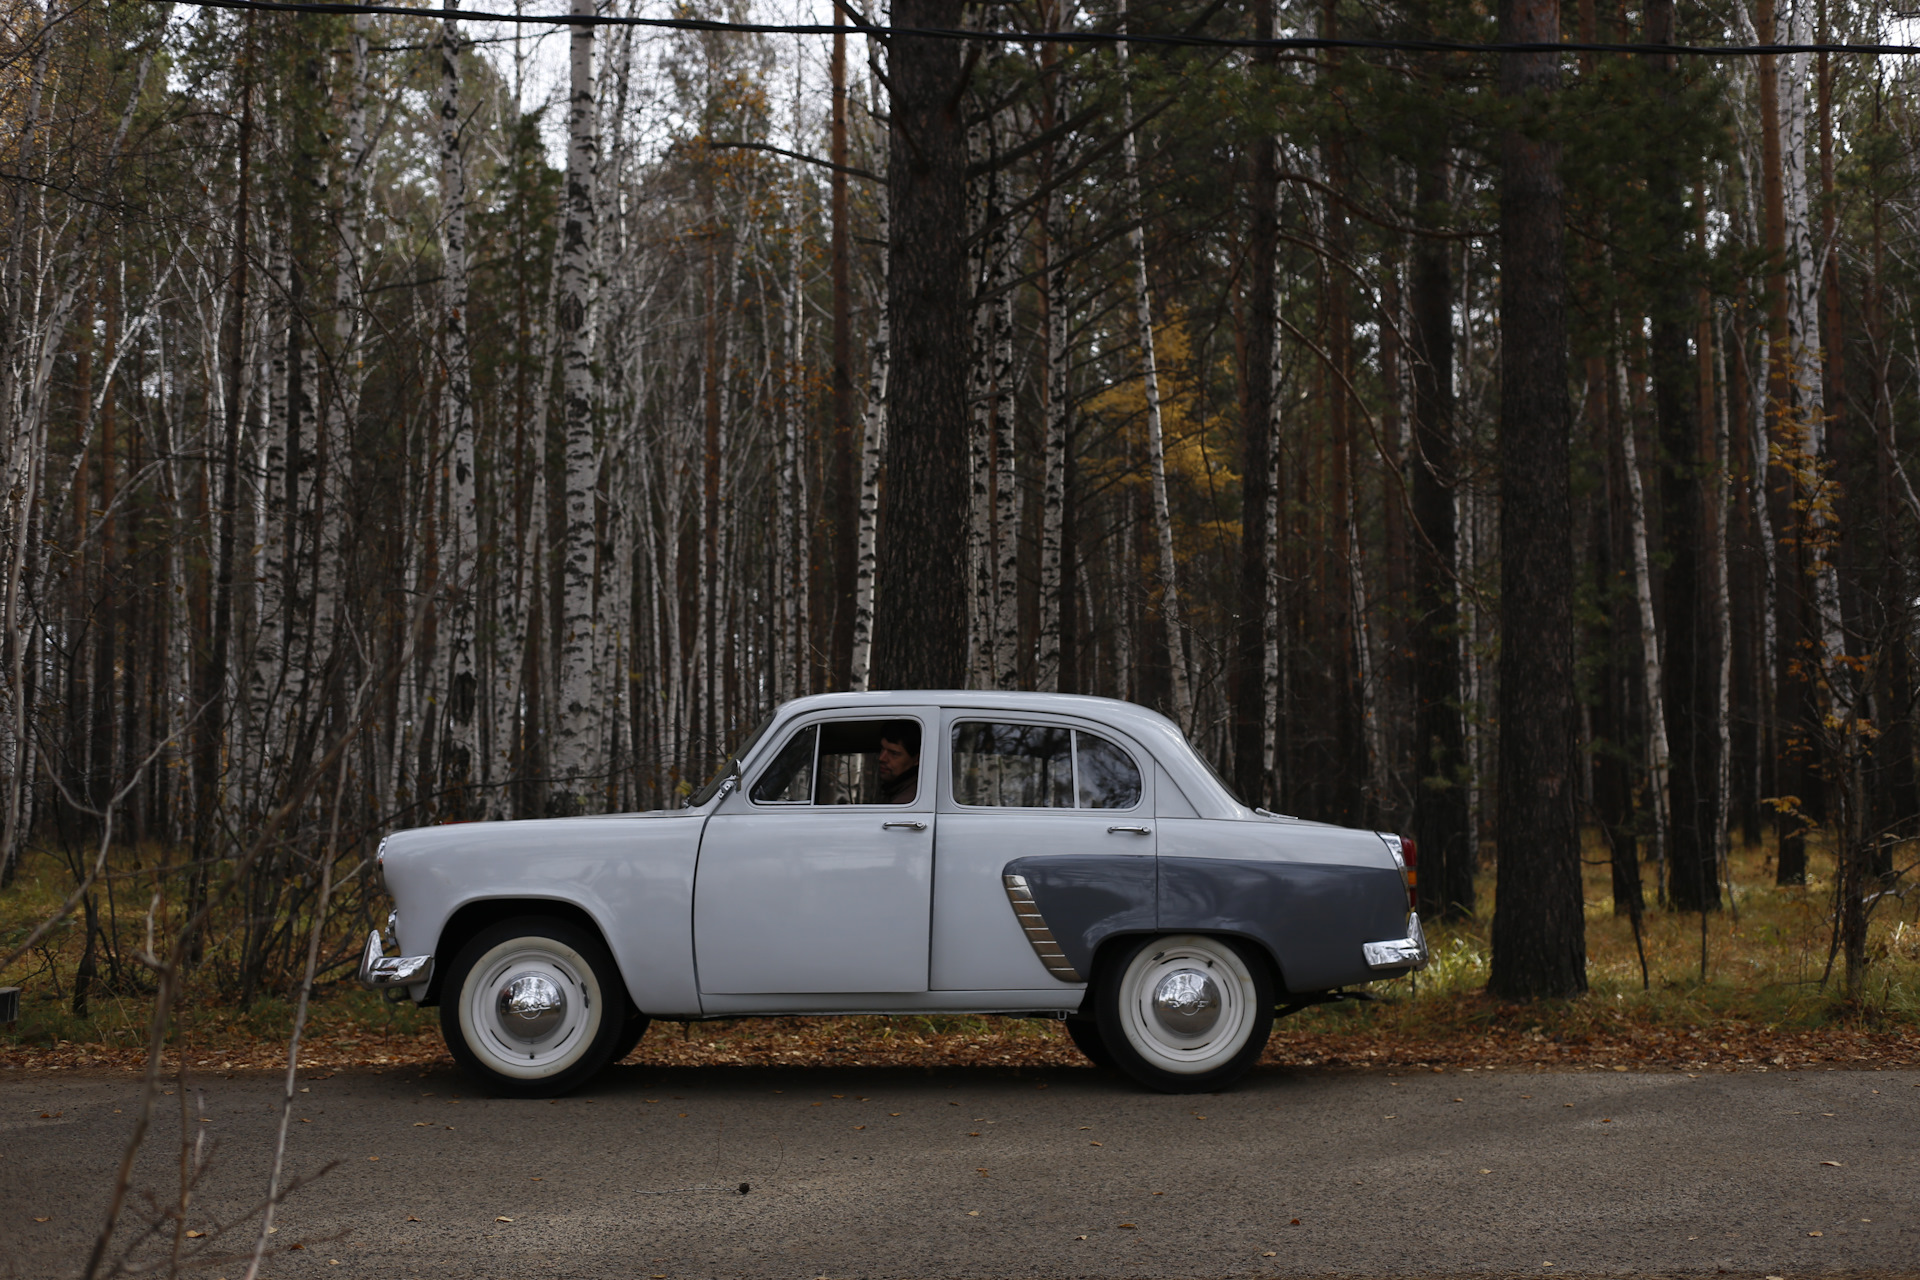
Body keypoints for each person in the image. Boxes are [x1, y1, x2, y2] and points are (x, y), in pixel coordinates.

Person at [876, 720, 921, 804]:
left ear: (917, 759)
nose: (882, 758)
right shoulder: (895, 791)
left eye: (894, 753)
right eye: (882, 749)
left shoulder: (908, 802)